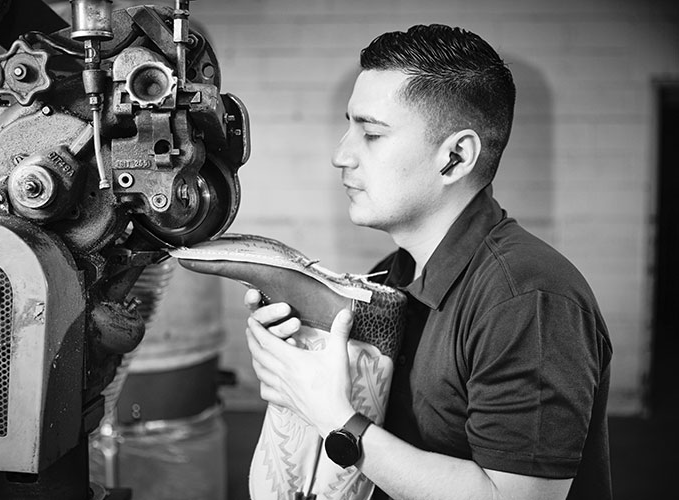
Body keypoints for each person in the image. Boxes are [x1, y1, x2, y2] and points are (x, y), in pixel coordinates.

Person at [244, 24, 612, 500]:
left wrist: (335, 418)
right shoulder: (387, 276)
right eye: (348, 127)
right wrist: (293, 364)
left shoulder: (528, 299)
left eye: (371, 134)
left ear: (455, 158)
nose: (341, 155)